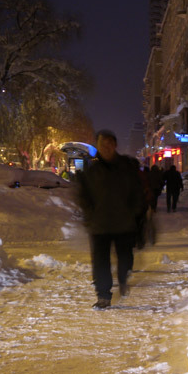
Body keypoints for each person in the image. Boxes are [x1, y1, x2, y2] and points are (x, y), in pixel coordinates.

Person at [75, 130, 145, 309]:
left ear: (115, 145)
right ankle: (103, 295)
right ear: (98, 146)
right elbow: (82, 195)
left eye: (109, 144)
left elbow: (137, 192)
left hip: (124, 223)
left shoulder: (126, 167)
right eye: (102, 144)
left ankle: (123, 278)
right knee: (100, 262)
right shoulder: (91, 169)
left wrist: (134, 212)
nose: (106, 148)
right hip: (99, 224)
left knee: (125, 258)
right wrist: (90, 214)